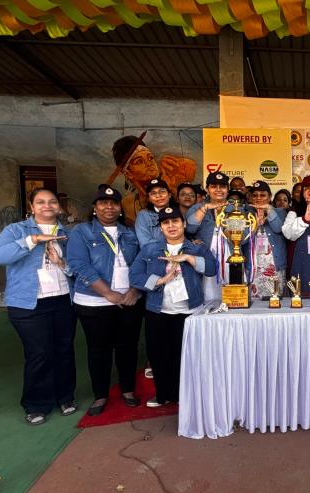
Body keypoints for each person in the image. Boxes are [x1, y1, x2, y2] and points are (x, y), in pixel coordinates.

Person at [0, 188, 77, 425]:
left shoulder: (68, 233)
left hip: (63, 299)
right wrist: (32, 240)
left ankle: (65, 397)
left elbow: (76, 267)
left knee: (64, 350)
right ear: (31, 207)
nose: (47, 206)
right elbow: (0, 255)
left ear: (59, 206)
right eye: (40, 202)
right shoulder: (16, 230)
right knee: (39, 353)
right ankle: (36, 405)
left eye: (52, 201)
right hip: (28, 303)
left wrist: (61, 263)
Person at [67, 185, 143, 416]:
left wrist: (135, 290)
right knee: (99, 349)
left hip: (129, 300)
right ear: (95, 207)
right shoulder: (81, 232)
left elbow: (142, 262)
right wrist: (107, 293)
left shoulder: (130, 233)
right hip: (94, 301)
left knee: (128, 347)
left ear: (120, 208)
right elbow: (79, 264)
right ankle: (100, 394)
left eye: (113, 203)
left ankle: (128, 389)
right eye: (103, 203)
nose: (109, 207)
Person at [129, 207, 216, 408]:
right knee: (159, 356)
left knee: (187, 357)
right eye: (166, 223)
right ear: (160, 228)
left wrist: (188, 259)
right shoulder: (150, 249)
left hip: (189, 312)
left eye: (175, 221)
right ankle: (163, 395)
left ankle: (186, 397)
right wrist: (159, 280)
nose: (171, 226)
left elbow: (212, 269)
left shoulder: (197, 248)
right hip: (158, 311)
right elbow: (134, 276)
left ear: (184, 224)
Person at [186, 172, 251, 302]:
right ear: (207, 189)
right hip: (206, 261)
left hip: (232, 260)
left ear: (228, 189)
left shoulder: (237, 210)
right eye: (213, 186)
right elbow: (190, 228)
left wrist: (227, 224)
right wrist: (205, 208)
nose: (218, 190)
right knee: (207, 300)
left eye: (222, 186)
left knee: (234, 300)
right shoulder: (197, 208)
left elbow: (244, 239)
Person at [110, 135, 195, 226]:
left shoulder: (171, 184)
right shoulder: (127, 204)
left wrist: (172, 189)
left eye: (150, 158)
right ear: (128, 173)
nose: (149, 164)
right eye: (139, 161)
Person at [249, 181, 287, 299]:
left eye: (263, 195)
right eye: (255, 195)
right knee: (254, 302)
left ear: (270, 197)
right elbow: (243, 240)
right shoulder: (246, 213)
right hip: (254, 266)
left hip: (274, 265)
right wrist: (256, 225)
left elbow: (278, 229)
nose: (259, 198)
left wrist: (269, 210)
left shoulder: (280, 212)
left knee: (275, 301)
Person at [135, 178, 176, 247]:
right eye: (153, 193)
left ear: (169, 195)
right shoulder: (143, 215)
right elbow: (145, 243)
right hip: (154, 252)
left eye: (162, 191)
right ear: (149, 199)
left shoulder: (178, 212)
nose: (158, 196)